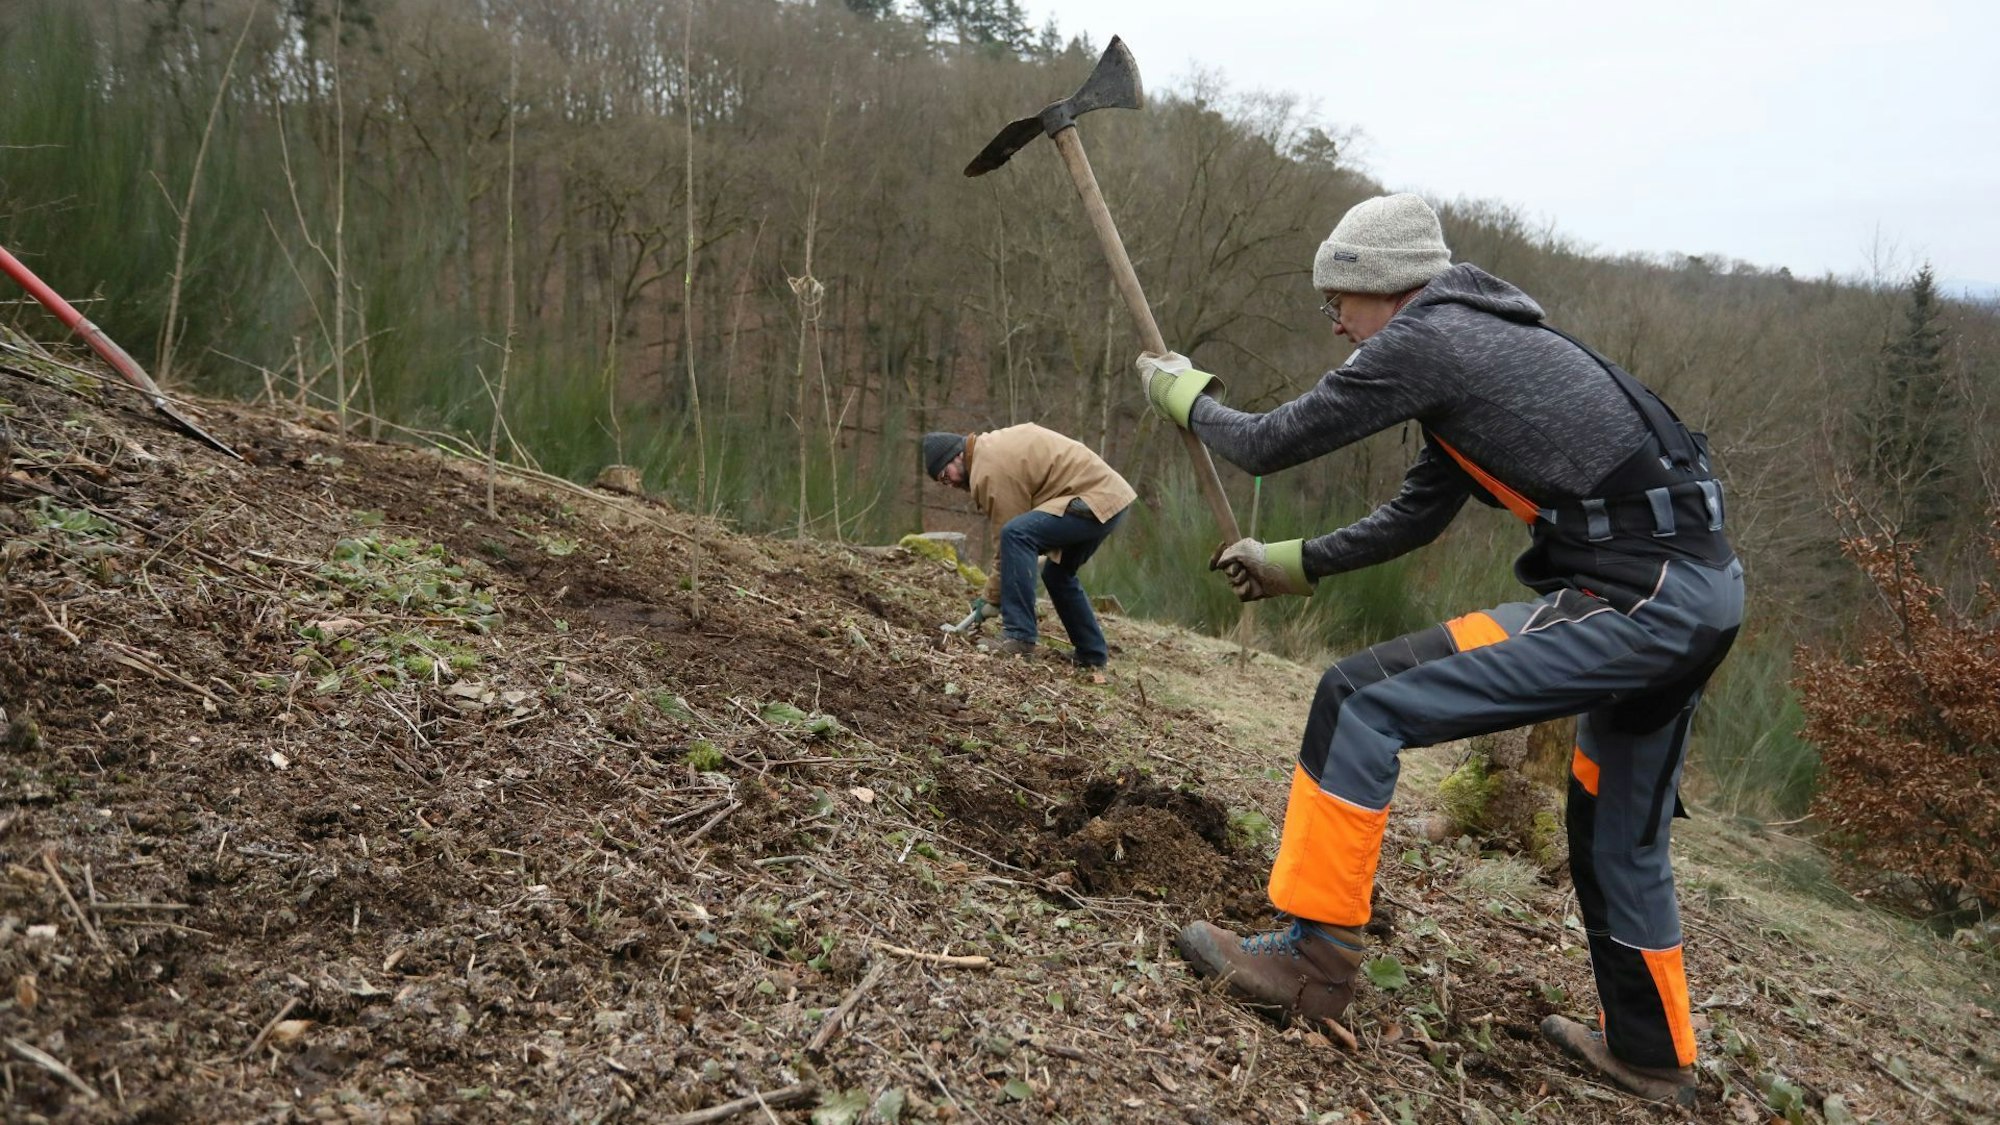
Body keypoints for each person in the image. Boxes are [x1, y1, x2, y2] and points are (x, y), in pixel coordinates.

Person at [1135, 193, 1741, 1106]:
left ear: (1388, 289)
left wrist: (1183, 392)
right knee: (1618, 829)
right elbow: (1414, 517)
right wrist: (1292, 565)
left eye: (1340, 298)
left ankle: (1312, 959)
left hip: (1638, 599)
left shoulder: (1430, 340)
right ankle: (1654, 1055)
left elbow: (1267, 446)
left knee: (1360, 698)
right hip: (1698, 595)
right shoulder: (1479, 349)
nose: (1335, 321)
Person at [921, 424, 1135, 674]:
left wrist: (992, 598)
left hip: (1093, 499)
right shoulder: (989, 451)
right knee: (1058, 575)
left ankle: (1019, 637)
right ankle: (1091, 654)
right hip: (1108, 498)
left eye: (946, 476)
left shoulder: (988, 468)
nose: (949, 484)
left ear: (957, 456)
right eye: (942, 482)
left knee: (1017, 534)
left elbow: (1008, 540)